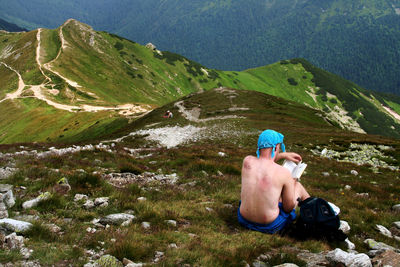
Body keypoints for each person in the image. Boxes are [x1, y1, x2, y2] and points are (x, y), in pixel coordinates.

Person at [238, 129, 310, 234]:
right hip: (269, 225)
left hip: (243, 219)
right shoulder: (284, 173)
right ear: (276, 147)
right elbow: (288, 208)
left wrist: (283, 155)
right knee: (297, 186)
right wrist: (291, 182)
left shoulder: (247, 161)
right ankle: (313, 210)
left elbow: (263, 161)